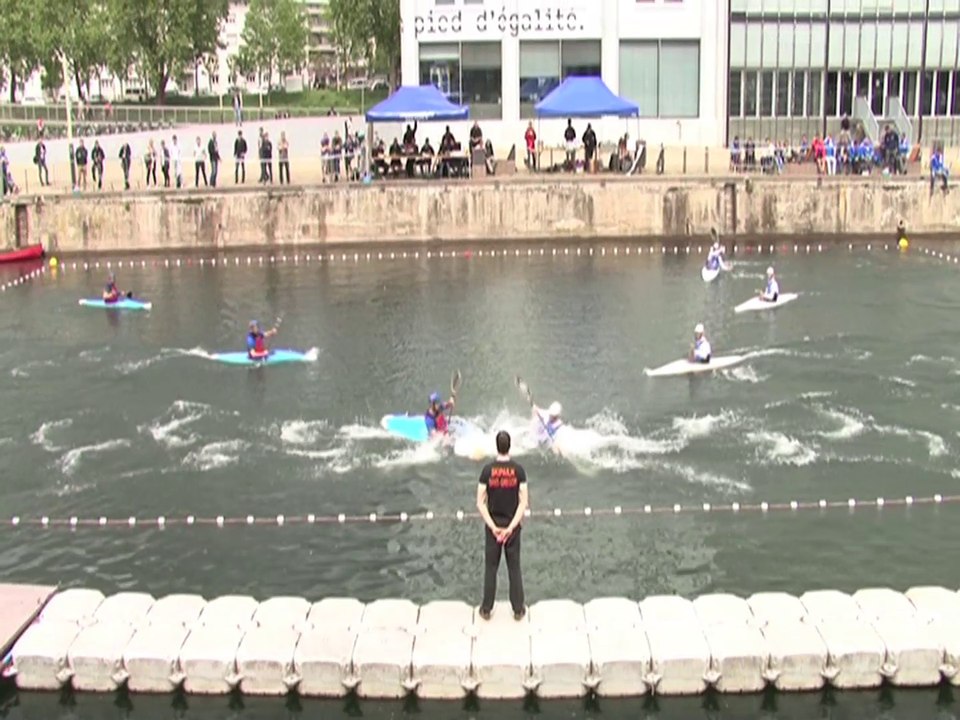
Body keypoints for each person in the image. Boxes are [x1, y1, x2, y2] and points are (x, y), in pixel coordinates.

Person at [477, 431, 528, 621]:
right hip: (512, 526)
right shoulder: (519, 471)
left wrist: (493, 527)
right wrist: (510, 528)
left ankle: (486, 609)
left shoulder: (487, 471)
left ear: (496, 446)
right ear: (510, 446)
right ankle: (518, 609)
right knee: (514, 568)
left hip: (493, 527)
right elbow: (523, 502)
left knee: (491, 568)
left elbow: (480, 502)